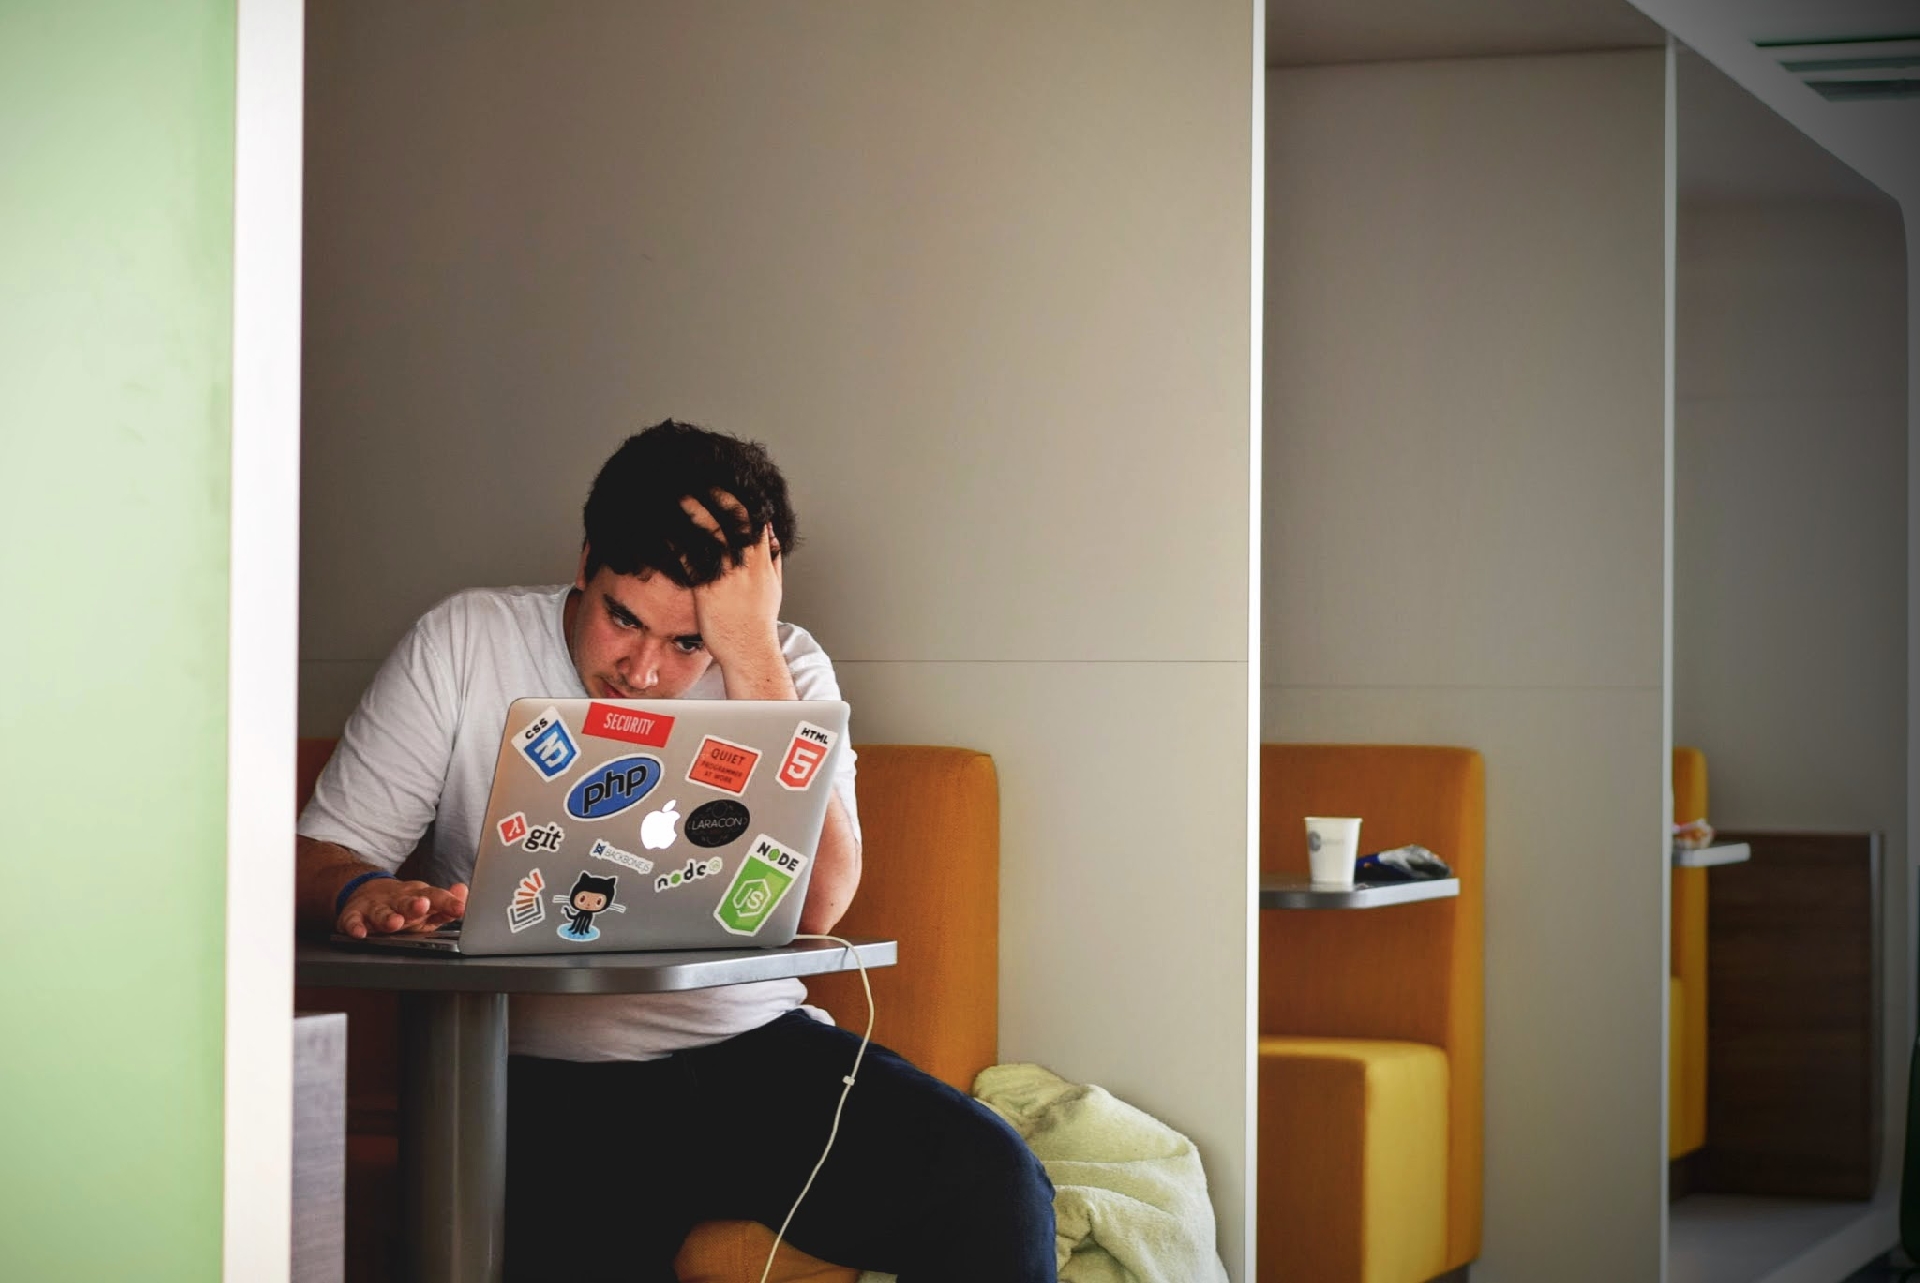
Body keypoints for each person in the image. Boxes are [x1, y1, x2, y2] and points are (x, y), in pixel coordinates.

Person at [294, 420, 1055, 1282]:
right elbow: (317, 854)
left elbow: (819, 905)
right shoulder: (464, 641)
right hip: (544, 1078)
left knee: (996, 1180)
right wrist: (363, 889)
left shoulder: (783, 664)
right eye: (624, 618)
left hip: (755, 1052)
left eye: (688, 640)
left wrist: (750, 654)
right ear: (585, 562)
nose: (644, 670)